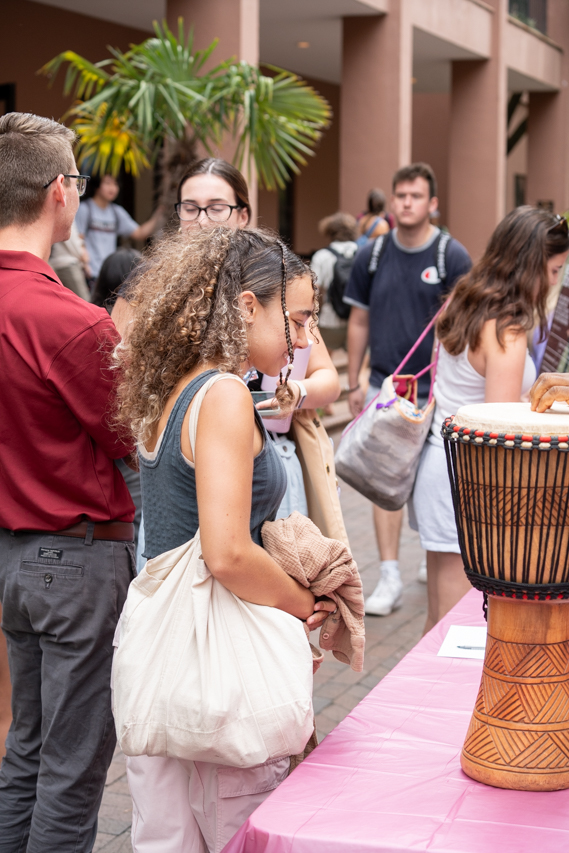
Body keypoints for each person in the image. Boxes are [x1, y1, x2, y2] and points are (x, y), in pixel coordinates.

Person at [114, 227, 336, 852]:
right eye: (295, 319)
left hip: (163, 647)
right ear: (245, 306)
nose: (301, 340)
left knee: (165, 835)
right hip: (214, 659)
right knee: (238, 833)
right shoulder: (226, 396)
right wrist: (301, 602)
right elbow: (228, 552)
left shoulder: (177, 386)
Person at [0, 112, 136, 852]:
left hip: (16, 555)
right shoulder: (70, 320)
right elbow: (127, 436)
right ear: (60, 191)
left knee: (27, 746)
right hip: (76, 556)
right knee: (73, 767)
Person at [112, 158, 341, 573]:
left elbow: (326, 373)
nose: (202, 220)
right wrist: (302, 603)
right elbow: (228, 557)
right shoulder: (220, 389)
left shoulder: (279, 286)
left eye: (215, 207)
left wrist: (298, 392)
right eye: (190, 207)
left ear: (243, 214)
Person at [413, 206, 569, 633]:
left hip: (439, 466)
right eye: (554, 270)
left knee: (437, 617)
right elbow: (499, 427)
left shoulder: (461, 301)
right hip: (470, 477)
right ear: (531, 265)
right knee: (454, 626)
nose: (555, 281)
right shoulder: (508, 329)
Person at [344, 162, 472, 616]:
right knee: (386, 478)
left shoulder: (451, 256)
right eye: (401, 195)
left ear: (433, 203)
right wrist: (354, 379)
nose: (407, 203)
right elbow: (358, 319)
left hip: (437, 394)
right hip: (386, 387)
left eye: (416, 196)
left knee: (430, 480)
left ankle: (429, 557)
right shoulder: (372, 255)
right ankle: (391, 574)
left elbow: (465, 325)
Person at [75, 173, 163, 281]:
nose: (113, 188)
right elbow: (79, 239)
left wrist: (160, 213)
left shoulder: (116, 212)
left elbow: (139, 233)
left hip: (108, 275)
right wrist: (85, 264)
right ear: (97, 185)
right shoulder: (85, 209)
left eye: (115, 184)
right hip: (90, 273)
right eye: (107, 183)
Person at [311, 212, 358, 352]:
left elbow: (313, 290)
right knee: (358, 364)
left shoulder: (322, 256)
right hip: (358, 319)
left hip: (330, 320)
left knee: (324, 362)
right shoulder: (363, 253)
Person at [48, 220, 91, 300]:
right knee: (84, 301)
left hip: (58, 262)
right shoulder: (65, 210)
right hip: (68, 264)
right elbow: (70, 237)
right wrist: (82, 254)